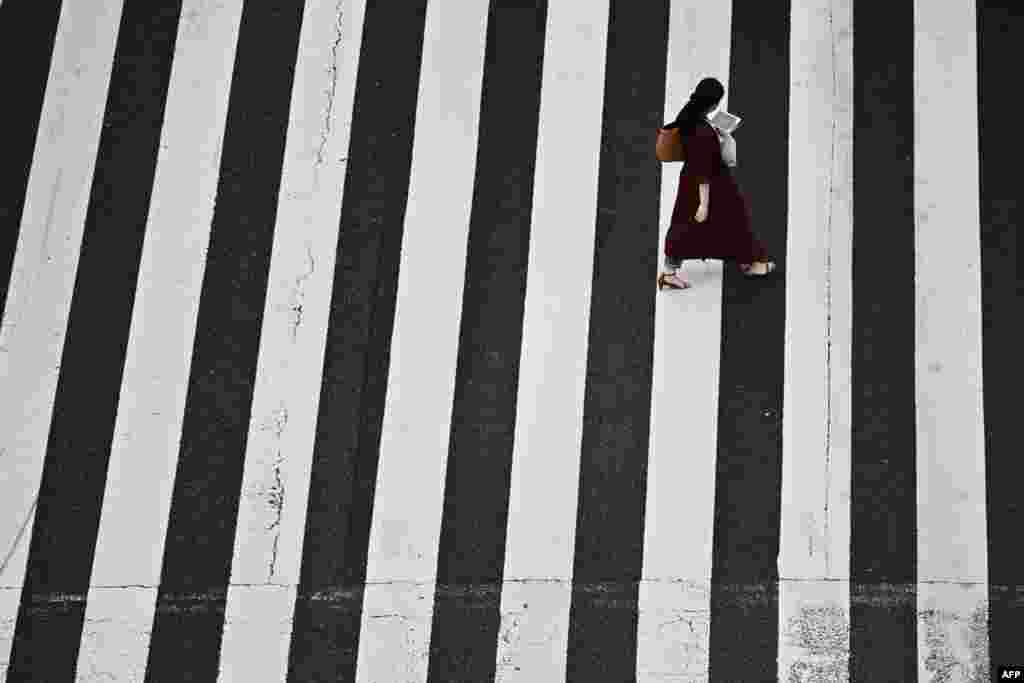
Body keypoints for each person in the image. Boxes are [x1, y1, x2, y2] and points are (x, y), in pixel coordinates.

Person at [657, 77, 776, 290]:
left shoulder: (688, 117)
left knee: (683, 227)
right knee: (736, 222)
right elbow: (704, 169)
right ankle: (750, 263)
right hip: (713, 185)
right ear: (713, 103)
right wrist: (704, 204)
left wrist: (713, 131)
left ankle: (669, 273)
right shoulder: (702, 131)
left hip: (689, 183)